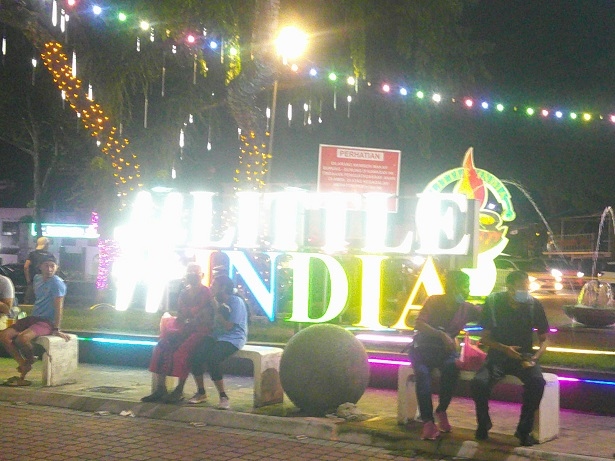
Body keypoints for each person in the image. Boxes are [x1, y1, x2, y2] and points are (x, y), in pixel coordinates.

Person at [470, 270, 549, 446]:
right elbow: (485, 338)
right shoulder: (494, 302)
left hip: (523, 357)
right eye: (521, 287)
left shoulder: (533, 305)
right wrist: (505, 349)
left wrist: (535, 358)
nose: (524, 291)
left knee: (537, 383)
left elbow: (544, 339)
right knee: (478, 383)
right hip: (498, 355)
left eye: (526, 287)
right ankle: (483, 423)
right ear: (509, 287)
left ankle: (523, 430)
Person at [409, 270, 481, 440]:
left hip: (445, 353)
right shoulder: (434, 301)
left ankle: (441, 410)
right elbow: (419, 323)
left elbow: (486, 314)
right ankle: (428, 422)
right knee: (423, 376)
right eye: (465, 286)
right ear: (454, 288)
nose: (468, 290)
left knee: (452, 369)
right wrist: (441, 335)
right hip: (423, 349)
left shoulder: (466, 308)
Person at [141, 263, 214, 403]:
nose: (192, 276)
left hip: (200, 330)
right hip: (184, 327)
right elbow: (181, 314)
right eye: (190, 273)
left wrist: (188, 319)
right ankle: (161, 388)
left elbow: (202, 316)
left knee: (182, 352)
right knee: (161, 347)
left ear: (202, 275)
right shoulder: (184, 293)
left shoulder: (206, 293)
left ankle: (179, 389)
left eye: (195, 273)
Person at [0, 254, 70, 386]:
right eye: (46, 266)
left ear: (57, 267)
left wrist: (56, 328)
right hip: (33, 317)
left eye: (52, 266)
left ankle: (30, 359)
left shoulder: (57, 283)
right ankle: (23, 363)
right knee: (4, 336)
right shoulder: (37, 279)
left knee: (22, 338)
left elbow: (59, 307)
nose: (49, 269)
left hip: (46, 321)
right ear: (40, 267)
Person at [188, 275, 248, 409]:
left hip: (233, 338)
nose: (211, 287)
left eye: (214, 285)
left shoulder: (235, 302)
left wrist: (217, 310)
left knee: (213, 358)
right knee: (196, 355)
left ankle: (223, 396)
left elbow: (229, 326)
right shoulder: (214, 301)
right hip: (216, 336)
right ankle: (201, 392)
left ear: (223, 288)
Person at [24, 237, 53, 304]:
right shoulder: (50, 255)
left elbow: (26, 267)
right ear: (46, 245)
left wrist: (28, 280)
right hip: (46, 280)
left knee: (29, 301)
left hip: (33, 280)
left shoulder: (32, 254)